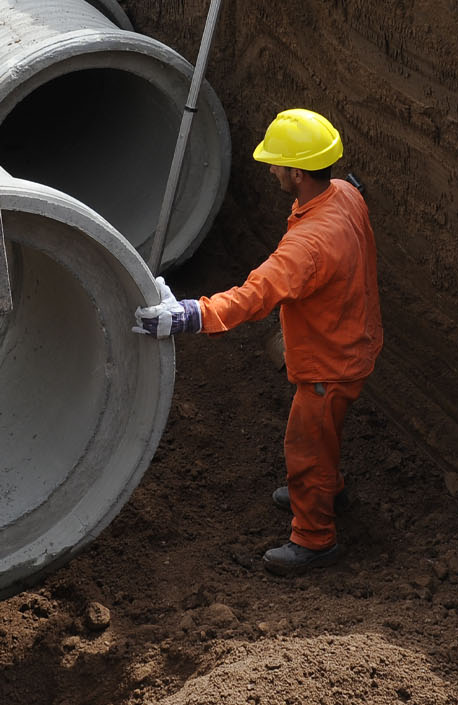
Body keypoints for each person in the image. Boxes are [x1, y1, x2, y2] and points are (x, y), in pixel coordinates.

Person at [134, 108, 382, 575]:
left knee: (306, 449)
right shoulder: (345, 195)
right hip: (353, 340)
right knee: (323, 434)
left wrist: (189, 315)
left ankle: (315, 539)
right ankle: (329, 490)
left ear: (297, 173)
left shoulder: (308, 245)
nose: (270, 170)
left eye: (277, 163)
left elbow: (254, 296)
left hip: (330, 364)